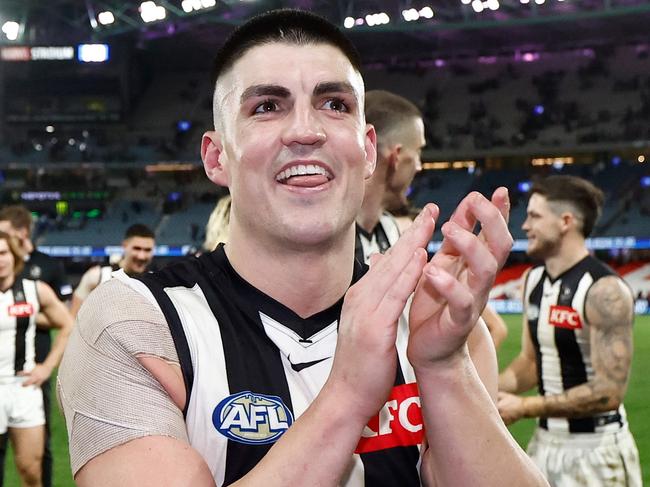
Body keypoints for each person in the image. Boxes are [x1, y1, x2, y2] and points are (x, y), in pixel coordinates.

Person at [57, 10, 546, 486]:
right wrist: (348, 395)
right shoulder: (136, 325)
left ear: (369, 150)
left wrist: (443, 366)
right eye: (266, 106)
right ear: (216, 157)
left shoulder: (434, 326)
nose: (306, 131)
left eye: (334, 104)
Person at [498, 175, 641, 486]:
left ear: (566, 221)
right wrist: (489, 392)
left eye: (535, 216)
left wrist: (524, 406)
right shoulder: (533, 280)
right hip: (544, 443)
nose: (525, 226)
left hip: (595, 451)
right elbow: (530, 362)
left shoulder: (605, 290)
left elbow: (608, 392)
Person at [358, 89, 508, 351]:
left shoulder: (396, 231)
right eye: (418, 152)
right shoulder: (329, 240)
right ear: (395, 155)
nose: (418, 166)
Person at [0, 205, 72, 487]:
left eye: (4, 253)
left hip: (24, 387)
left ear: (13, 254)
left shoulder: (34, 289)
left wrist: (47, 367)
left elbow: (67, 324)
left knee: (31, 468)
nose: (0, 260)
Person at [69, 223, 155, 317]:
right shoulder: (97, 276)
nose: (141, 256)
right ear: (125, 246)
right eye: (137, 248)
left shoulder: (154, 282)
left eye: (147, 250)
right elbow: (73, 318)